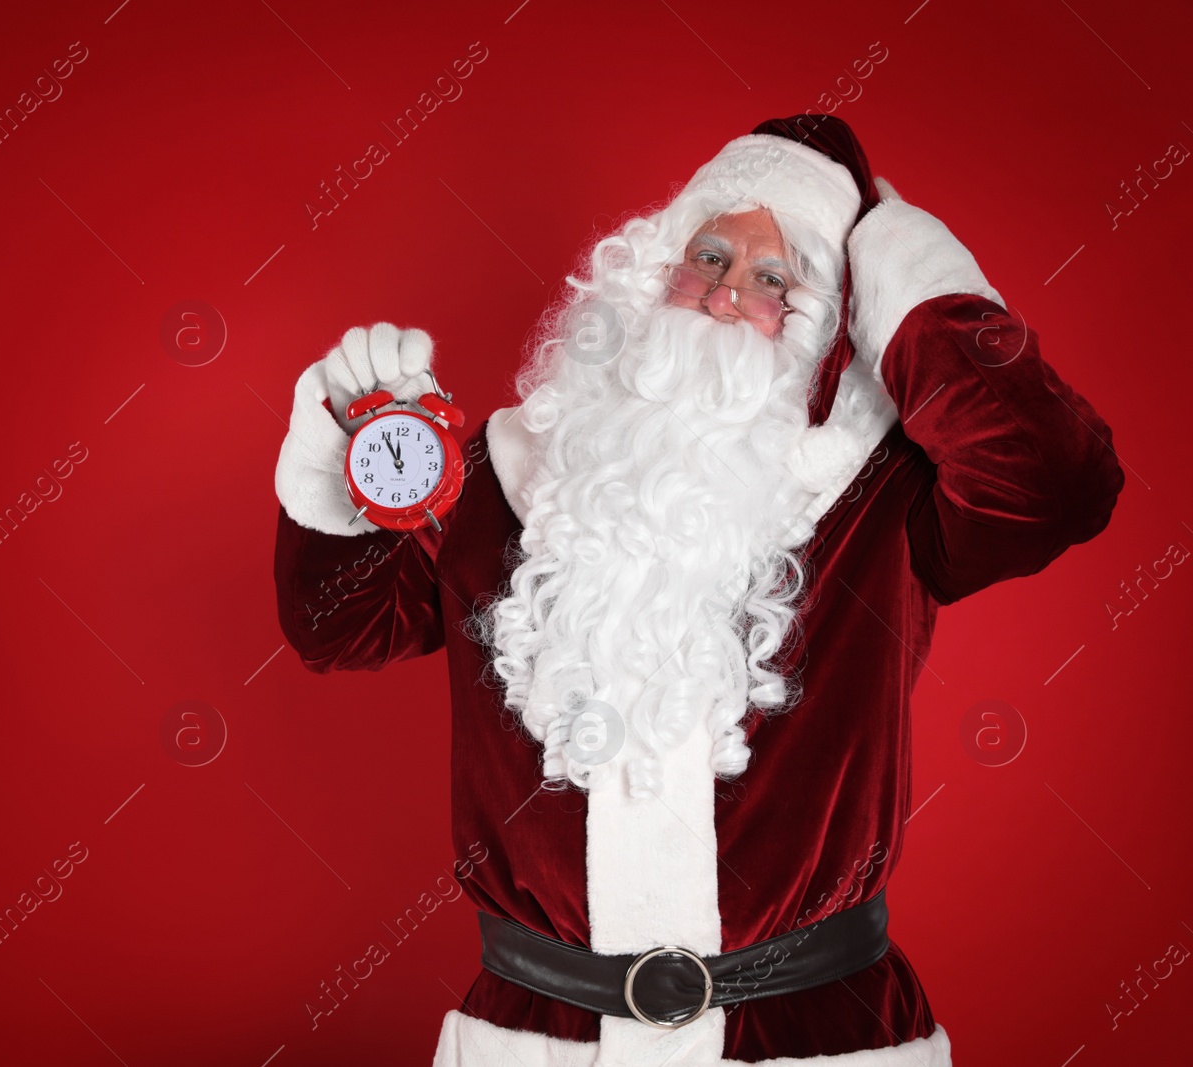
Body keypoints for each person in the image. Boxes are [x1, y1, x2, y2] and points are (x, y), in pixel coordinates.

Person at [271, 114, 1123, 1066]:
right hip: (538, 1039)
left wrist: (894, 248)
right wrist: (344, 449)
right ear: (645, 278)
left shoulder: (880, 495)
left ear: (828, 320)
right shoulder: (508, 474)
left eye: (775, 278)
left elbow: (1058, 480)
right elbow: (335, 626)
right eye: (709, 255)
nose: (725, 295)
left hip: (816, 1039)